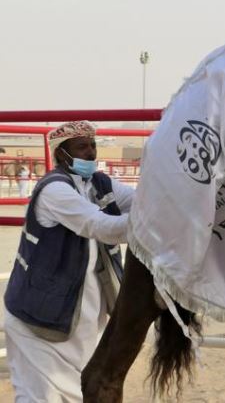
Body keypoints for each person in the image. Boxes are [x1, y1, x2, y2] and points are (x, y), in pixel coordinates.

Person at [3, 120, 134, 402]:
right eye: (81, 147)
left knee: (81, 391)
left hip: (82, 318)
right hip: (39, 320)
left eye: (93, 146)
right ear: (61, 154)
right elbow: (100, 226)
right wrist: (156, 224)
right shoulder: (54, 190)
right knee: (39, 397)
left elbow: (141, 201)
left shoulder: (99, 183)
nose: (90, 153)